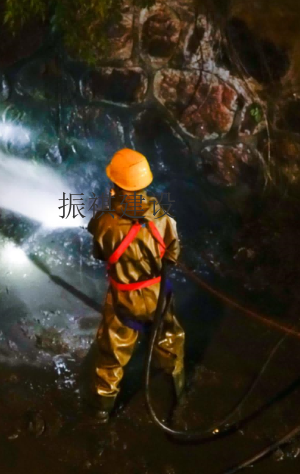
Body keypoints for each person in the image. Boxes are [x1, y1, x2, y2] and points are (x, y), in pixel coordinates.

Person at [85, 148, 184, 423]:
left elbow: (100, 253)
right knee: (170, 339)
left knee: (112, 352)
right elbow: (174, 253)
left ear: (114, 185)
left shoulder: (105, 221)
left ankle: (101, 410)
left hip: (123, 300)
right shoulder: (163, 217)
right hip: (158, 296)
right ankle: (175, 391)